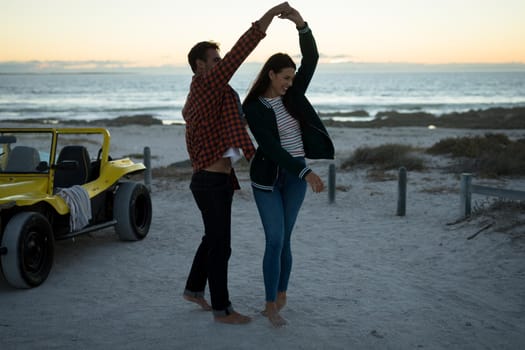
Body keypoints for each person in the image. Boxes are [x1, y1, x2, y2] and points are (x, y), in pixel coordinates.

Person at [181, 2, 294, 325]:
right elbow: (239, 53)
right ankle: (222, 310)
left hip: (214, 180)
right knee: (221, 246)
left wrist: (244, 153)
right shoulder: (209, 86)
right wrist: (269, 17)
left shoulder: (208, 94)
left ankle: (193, 289)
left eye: (219, 61)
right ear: (201, 66)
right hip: (209, 182)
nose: (220, 64)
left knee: (211, 239)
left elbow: (225, 133)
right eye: (214, 60)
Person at [242, 7, 335, 327]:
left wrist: (300, 24)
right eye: (285, 77)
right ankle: (270, 304)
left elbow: (312, 59)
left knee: (286, 239)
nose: (290, 83)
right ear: (271, 74)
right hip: (268, 181)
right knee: (275, 240)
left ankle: (281, 292)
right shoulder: (253, 107)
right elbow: (269, 148)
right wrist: (306, 171)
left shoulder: (293, 94)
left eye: (292, 78)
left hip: (294, 182)